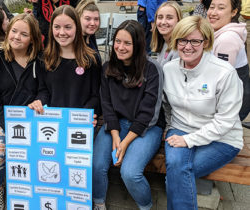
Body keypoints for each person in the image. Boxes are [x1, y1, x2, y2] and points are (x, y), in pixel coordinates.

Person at [163, 15, 243, 210]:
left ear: (206, 42)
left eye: (195, 41)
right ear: (176, 41)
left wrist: (189, 140)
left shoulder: (224, 73)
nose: (187, 46)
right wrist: (169, 127)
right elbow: (165, 105)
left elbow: (225, 121)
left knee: (178, 172)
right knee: (178, 171)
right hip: (180, 129)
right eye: (182, 40)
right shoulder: (169, 69)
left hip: (223, 138)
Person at [93, 20, 165, 210]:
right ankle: (98, 202)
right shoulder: (108, 67)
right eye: (118, 41)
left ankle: (146, 205)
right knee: (96, 165)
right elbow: (106, 104)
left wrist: (124, 144)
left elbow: (149, 112)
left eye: (127, 43)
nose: (120, 47)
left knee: (130, 172)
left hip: (147, 127)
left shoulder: (152, 69)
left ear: (138, 44)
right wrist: (116, 136)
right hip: (115, 124)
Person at [0, 13, 43, 210]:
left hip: (30, 118)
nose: (16, 37)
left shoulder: (38, 59)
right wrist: (6, 124)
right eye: (14, 31)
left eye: (23, 34)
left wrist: (40, 100)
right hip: (0, 116)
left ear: (32, 38)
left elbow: (44, 89)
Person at [29, 5, 101, 120]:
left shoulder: (91, 59)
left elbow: (95, 96)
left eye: (68, 27)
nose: (62, 32)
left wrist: (84, 115)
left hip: (79, 124)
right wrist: (38, 102)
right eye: (57, 27)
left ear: (77, 27)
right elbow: (44, 91)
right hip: (52, 122)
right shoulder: (44, 58)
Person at [207, 0, 250, 121]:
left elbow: (221, 83)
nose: (213, 13)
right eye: (211, 7)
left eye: (221, 8)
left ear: (234, 12)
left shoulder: (227, 39)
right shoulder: (220, 32)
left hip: (233, 107)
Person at [151, 1, 182, 67]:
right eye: (160, 17)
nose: (163, 22)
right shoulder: (164, 44)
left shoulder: (179, 50)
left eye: (169, 18)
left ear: (179, 20)